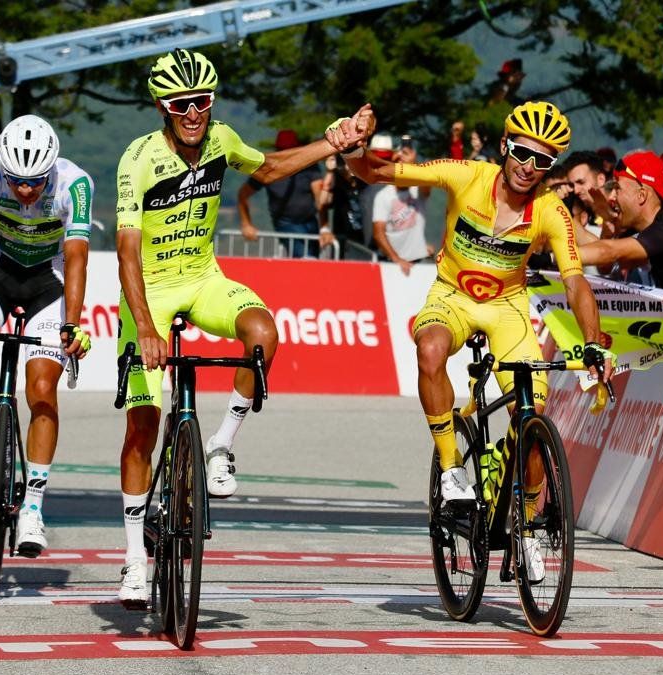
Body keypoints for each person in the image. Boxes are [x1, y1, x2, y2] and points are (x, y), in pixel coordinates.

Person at [114, 48, 369, 607]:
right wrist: (145, 327)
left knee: (263, 332)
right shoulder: (138, 159)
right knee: (143, 425)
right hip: (150, 293)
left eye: (202, 101)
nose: (193, 113)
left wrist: (336, 142)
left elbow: (271, 168)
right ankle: (134, 557)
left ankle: (220, 446)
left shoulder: (220, 139)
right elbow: (126, 252)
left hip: (203, 277)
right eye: (181, 103)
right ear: (162, 105)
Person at [329, 100, 613, 583]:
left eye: (542, 161)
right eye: (522, 153)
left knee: (531, 418)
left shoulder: (550, 210)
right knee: (431, 349)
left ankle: (524, 527)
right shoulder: (467, 175)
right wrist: (355, 149)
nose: (528, 167)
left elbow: (575, 282)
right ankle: (451, 465)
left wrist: (592, 343)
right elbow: (380, 173)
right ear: (505, 147)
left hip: (508, 310)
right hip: (452, 296)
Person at [0, 114, 93, 560]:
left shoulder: (75, 184)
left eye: (35, 182)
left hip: (49, 280)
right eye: (17, 181)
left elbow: (77, 256)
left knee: (42, 389)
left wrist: (73, 321)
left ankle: (34, 505)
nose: (26, 191)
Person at [576, 150, 663, 296]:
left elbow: (609, 252)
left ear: (641, 195)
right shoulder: (639, 227)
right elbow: (605, 266)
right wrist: (608, 225)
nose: (612, 196)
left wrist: (554, 257)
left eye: (617, 189)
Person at [237, 129, 332, 258]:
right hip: (286, 223)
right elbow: (243, 194)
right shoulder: (268, 169)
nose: (286, 154)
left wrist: (324, 227)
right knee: (306, 259)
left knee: (310, 263)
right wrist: (246, 223)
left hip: (310, 221)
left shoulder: (309, 167)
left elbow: (319, 198)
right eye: (282, 150)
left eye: (290, 150)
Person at [370, 141, 432, 274]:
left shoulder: (418, 189)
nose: (402, 168)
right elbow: (378, 233)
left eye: (405, 164)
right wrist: (396, 259)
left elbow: (428, 185)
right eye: (398, 163)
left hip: (419, 261)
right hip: (393, 264)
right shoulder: (383, 196)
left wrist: (415, 164)